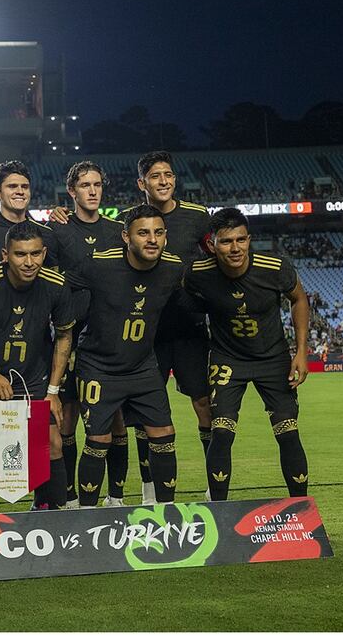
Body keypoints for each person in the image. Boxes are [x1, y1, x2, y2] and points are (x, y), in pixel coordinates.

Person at [182, 208, 311, 502]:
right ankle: (218, 509)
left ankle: (300, 507)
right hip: (227, 359)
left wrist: (302, 351)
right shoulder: (197, 273)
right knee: (221, 432)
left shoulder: (275, 268)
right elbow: (183, 300)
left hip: (273, 359)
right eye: (226, 241)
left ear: (249, 240)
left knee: (288, 431)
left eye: (241, 239)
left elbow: (299, 299)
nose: (235, 248)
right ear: (212, 245)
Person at [66, 204, 185, 507]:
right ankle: (87, 515)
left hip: (143, 366)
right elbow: (57, 285)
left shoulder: (174, 268)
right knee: (99, 440)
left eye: (159, 232)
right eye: (143, 233)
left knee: (164, 433)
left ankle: (166, 513)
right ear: (125, 237)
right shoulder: (99, 265)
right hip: (98, 366)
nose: (152, 240)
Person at [0, 222, 75, 512]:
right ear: (5, 255)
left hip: (35, 379)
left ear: (44, 253)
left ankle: (50, 513)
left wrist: (53, 390)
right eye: (20, 254)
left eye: (35, 254)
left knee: (52, 443)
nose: (29, 262)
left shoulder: (56, 285)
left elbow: (64, 336)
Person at [45, 161, 127, 507]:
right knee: (66, 418)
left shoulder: (118, 230)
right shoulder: (57, 230)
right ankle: (68, 498)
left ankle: (116, 496)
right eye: (85, 185)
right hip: (69, 335)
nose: (92, 191)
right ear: (72, 191)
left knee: (116, 419)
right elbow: (49, 280)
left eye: (97, 184)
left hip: (109, 338)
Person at [134, 151, 214, 504]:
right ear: (142, 183)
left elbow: (217, 259)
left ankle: (215, 483)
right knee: (145, 412)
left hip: (190, 329)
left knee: (204, 403)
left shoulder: (197, 216)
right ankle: (150, 489)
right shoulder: (133, 219)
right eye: (155, 176)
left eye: (168, 174)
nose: (163, 181)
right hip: (148, 333)